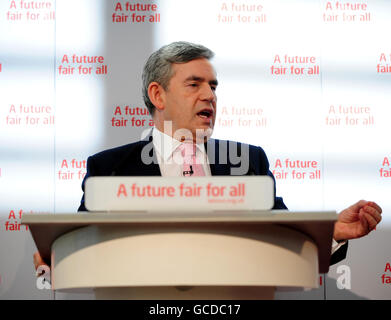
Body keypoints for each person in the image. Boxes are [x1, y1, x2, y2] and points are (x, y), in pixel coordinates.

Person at [34, 41, 382, 271]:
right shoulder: (109, 167)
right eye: (194, 84)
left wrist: (331, 231)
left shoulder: (250, 162)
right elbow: (82, 246)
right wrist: (58, 257)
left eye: (213, 86)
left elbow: (285, 239)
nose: (209, 96)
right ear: (158, 94)